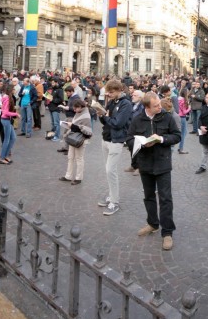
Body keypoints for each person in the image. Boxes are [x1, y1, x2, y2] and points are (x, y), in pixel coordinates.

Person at [129, 92, 180, 251]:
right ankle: (152, 223)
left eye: (159, 104)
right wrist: (142, 144)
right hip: (145, 164)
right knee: (149, 196)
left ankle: (167, 232)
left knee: (165, 198)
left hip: (163, 163)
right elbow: (129, 139)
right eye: (156, 106)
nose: (160, 107)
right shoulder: (137, 119)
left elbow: (177, 136)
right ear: (147, 107)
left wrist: (162, 139)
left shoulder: (166, 117)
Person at [97, 80, 133, 215]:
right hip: (106, 138)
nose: (109, 94)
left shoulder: (126, 104)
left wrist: (105, 118)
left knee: (110, 171)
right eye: (108, 92)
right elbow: (106, 119)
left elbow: (118, 123)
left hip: (116, 140)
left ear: (119, 91)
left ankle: (114, 202)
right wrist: (101, 115)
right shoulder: (112, 102)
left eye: (111, 92)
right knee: (109, 171)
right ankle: (112, 196)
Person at [59, 98, 91, 185]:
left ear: (80, 107)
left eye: (75, 108)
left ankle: (78, 178)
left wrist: (72, 126)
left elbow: (87, 130)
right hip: (74, 137)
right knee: (70, 157)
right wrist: (69, 125)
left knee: (79, 158)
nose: (74, 110)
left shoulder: (86, 115)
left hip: (80, 139)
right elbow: (77, 125)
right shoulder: (79, 113)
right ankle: (68, 176)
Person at [0, 83, 17, 164]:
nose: (14, 90)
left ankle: (5, 156)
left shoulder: (7, 97)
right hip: (5, 120)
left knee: (13, 138)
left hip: (7, 120)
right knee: (7, 139)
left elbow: (3, 109)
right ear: (10, 90)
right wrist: (15, 114)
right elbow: (5, 112)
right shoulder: (7, 98)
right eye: (13, 89)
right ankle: (2, 158)